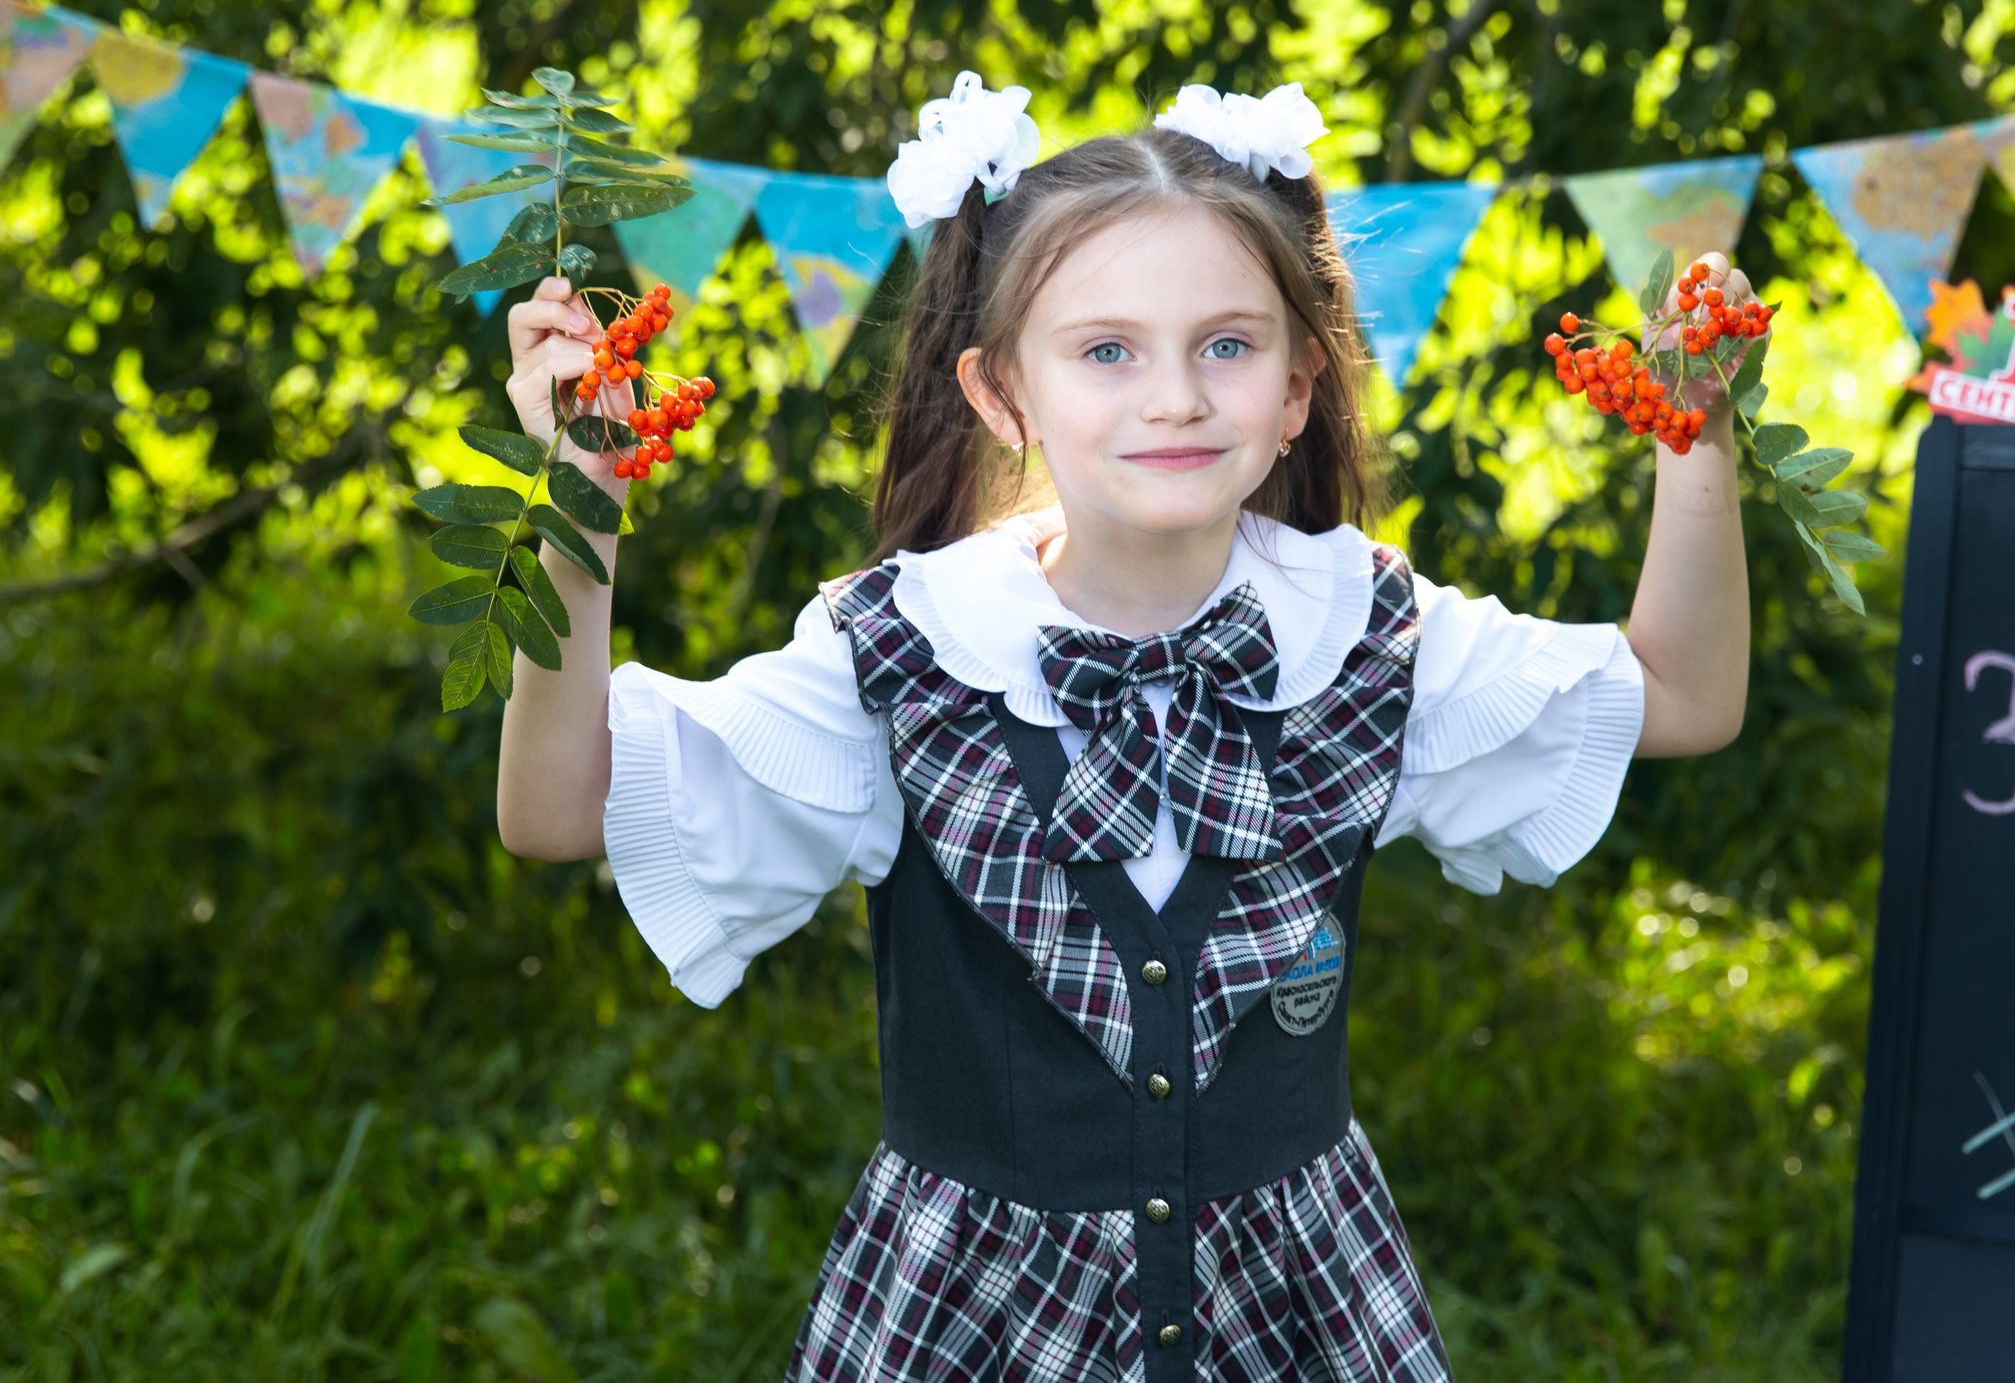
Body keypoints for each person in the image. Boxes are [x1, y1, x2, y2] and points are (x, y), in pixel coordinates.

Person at [491, 71, 1754, 1381]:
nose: (1175, 398)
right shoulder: (903, 651)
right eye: (1107, 351)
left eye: (1227, 346)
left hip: (1300, 1315)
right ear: (1001, 394)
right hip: (972, 1322)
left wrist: (1696, 434)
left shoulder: (1366, 635)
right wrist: (583, 496)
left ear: (1299, 386)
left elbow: (1685, 696)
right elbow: (555, 810)